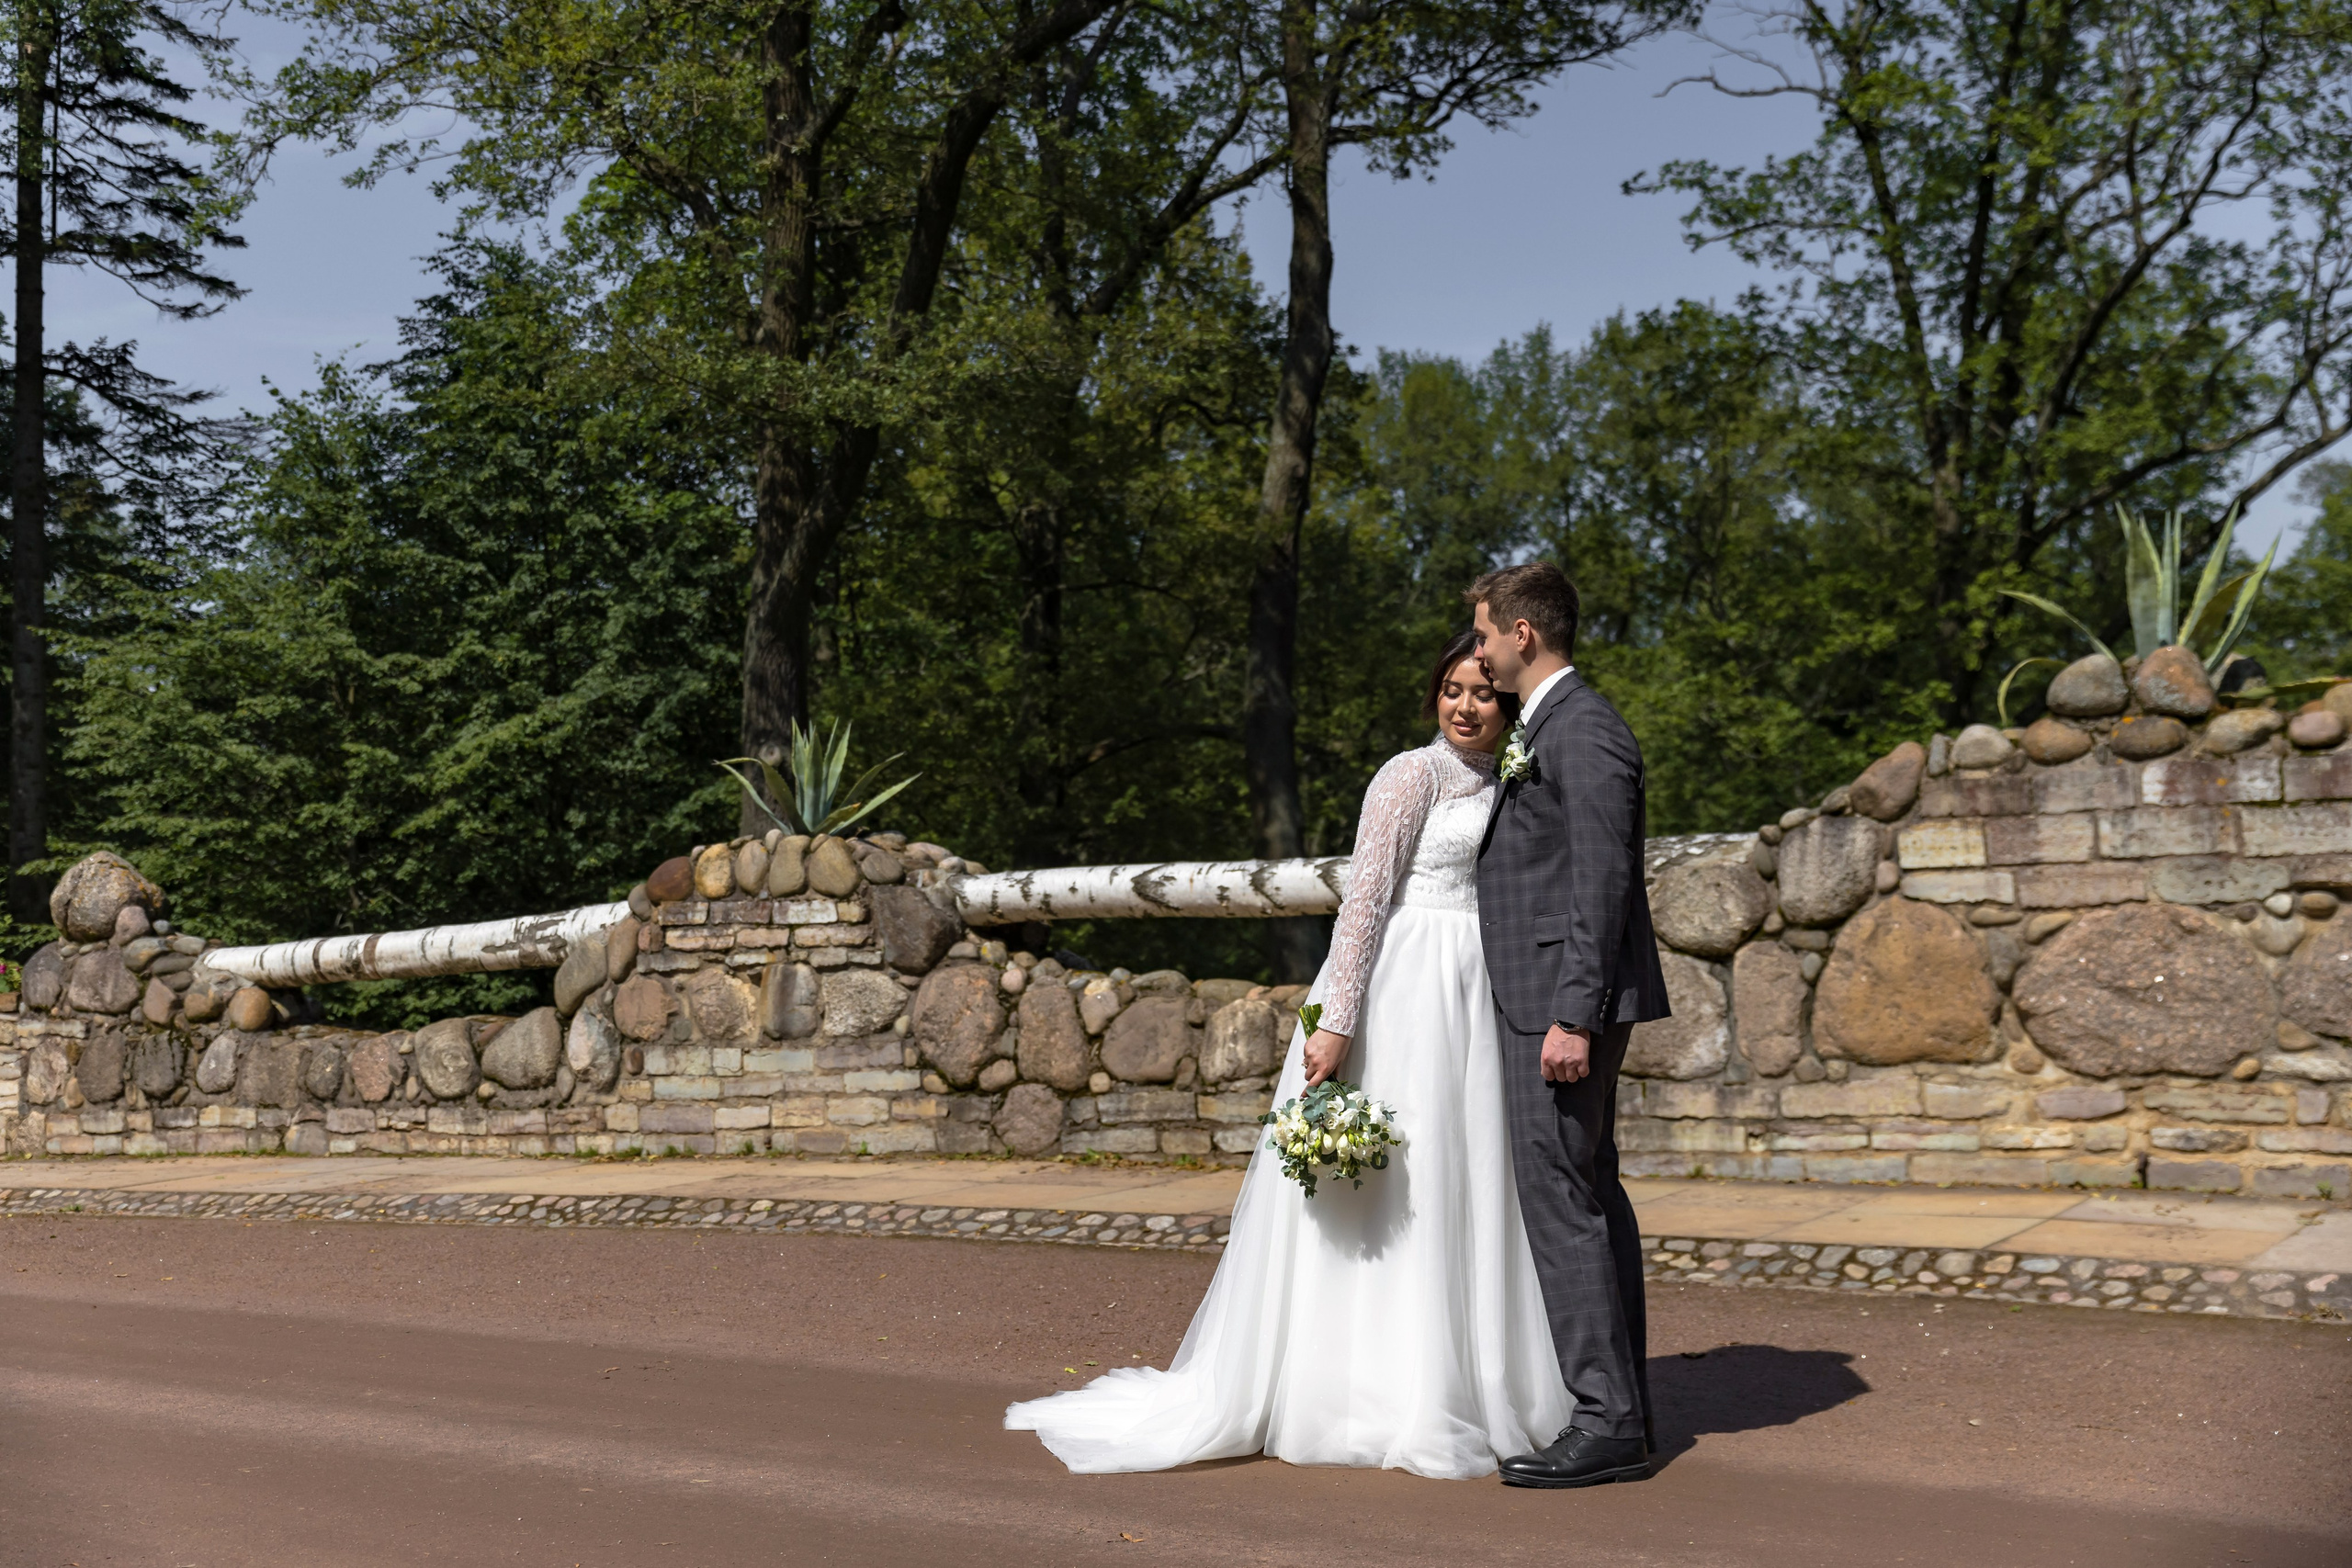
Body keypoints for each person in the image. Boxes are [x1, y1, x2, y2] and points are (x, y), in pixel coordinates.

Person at [1004, 629, 1577, 1478]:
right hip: (1403, 990)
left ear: (1507, 702)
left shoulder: (1511, 778)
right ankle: (1361, 1384)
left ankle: (1467, 1371)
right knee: (1390, 1180)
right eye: (1452, 690)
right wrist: (1335, 1021)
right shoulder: (1406, 776)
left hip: (1476, 996)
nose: (1465, 706)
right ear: (1433, 696)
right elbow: (1364, 902)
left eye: (1483, 692)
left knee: (1465, 1177)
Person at [1467, 560, 1670, 1489]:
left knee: (1563, 1202)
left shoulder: (1583, 730)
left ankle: (1605, 1420)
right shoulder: (1552, 725)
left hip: (1558, 1004)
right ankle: (1620, 1402)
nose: (1476, 653)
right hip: (1549, 996)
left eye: (1481, 634)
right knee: (1585, 1193)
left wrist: (1572, 1016)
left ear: (1521, 634)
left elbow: (1601, 880)